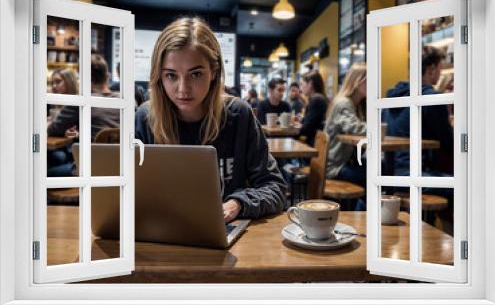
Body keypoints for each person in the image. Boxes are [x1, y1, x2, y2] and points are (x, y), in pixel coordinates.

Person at [134, 17, 287, 222]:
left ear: (213, 72)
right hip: (163, 233)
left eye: (195, 74)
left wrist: (237, 204)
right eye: (171, 75)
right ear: (159, 77)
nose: (183, 89)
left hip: (225, 234)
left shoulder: (239, 115)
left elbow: (275, 188)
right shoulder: (146, 118)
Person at [384, 46, 453, 177]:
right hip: (418, 173)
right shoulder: (431, 98)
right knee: (466, 187)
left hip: (388, 171)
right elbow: (449, 143)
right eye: (440, 69)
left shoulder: (394, 95)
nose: (440, 73)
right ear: (431, 69)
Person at [48, 54, 121, 141]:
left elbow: (53, 130)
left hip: (90, 154)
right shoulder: (125, 101)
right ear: (107, 76)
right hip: (123, 153)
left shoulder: (80, 101)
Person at [324, 63, 367, 187]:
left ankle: (364, 205)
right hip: (335, 166)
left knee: (381, 169)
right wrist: (380, 128)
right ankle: (362, 206)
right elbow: (355, 128)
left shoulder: (357, 104)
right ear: (357, 82)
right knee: (373, 177)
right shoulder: (344, 103)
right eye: (368, 81)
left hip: (346, 161)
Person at [47, 68, 79, 177]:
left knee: (58, 156)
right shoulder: (54, 102)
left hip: (75, 151)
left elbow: (54, 129)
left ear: (69, 82)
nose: (54, 86)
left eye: (58, 81)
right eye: (52, 83)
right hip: (64, 147)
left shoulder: (75, 103)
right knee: (56, 155)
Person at [297, 70, 329, 147]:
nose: (300, 89)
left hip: (315, 146)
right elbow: (313, 122)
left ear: (310, 83)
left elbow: (307, 129)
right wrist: (302, 120)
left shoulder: (317, 100)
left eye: (302, 84)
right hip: (317, 143)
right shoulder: (320, 98)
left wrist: (291, 130)